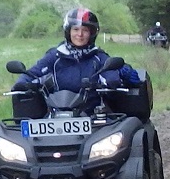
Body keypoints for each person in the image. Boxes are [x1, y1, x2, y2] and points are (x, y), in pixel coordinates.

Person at [12, 7, 141, 114]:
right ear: (68, 31)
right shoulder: (54, 56)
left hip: (93, 116)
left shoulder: (99, 57)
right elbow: (32, 73)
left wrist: (119, 75)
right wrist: (22, 84)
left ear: (92, 34)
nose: (80, 34)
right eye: (76, 29)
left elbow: (112, 75)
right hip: (57, 115)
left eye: (85, 30)